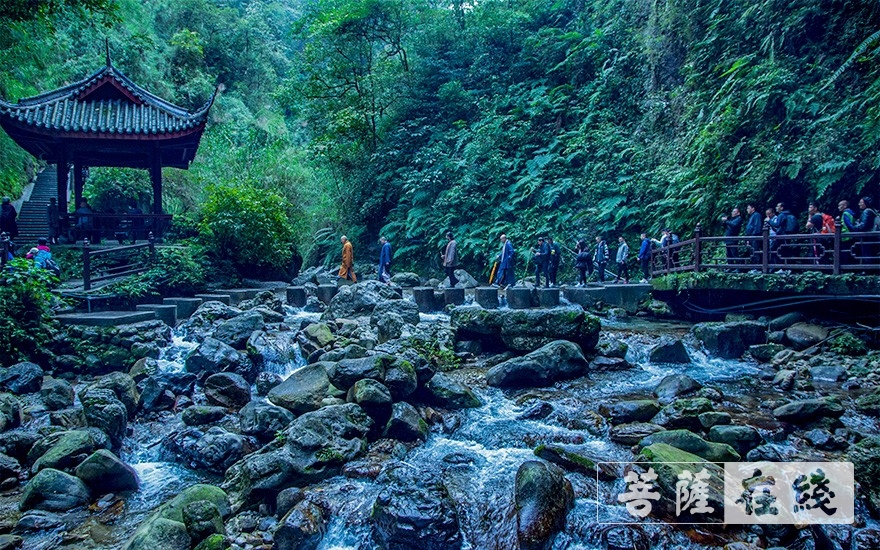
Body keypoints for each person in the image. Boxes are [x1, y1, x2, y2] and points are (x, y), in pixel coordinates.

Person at [852, 196, 877, 263]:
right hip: (872, 236)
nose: (859, 204)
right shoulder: (873, 211)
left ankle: (868, 267)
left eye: (861, 202)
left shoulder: (866, 211)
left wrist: (854, 226)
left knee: (867, 253)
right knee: (871, 253)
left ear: (866, 203)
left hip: (867, 236)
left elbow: (863, 225)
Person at [838, 199, 856, 264]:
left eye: (840, 205)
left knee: (846, 253)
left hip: (846, 236)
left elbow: (849, 225)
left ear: (845, 206)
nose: (838, 207)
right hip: (850, 236)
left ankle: (846, 267)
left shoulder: (845, 213)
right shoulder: (851, 213)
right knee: (851, 252)